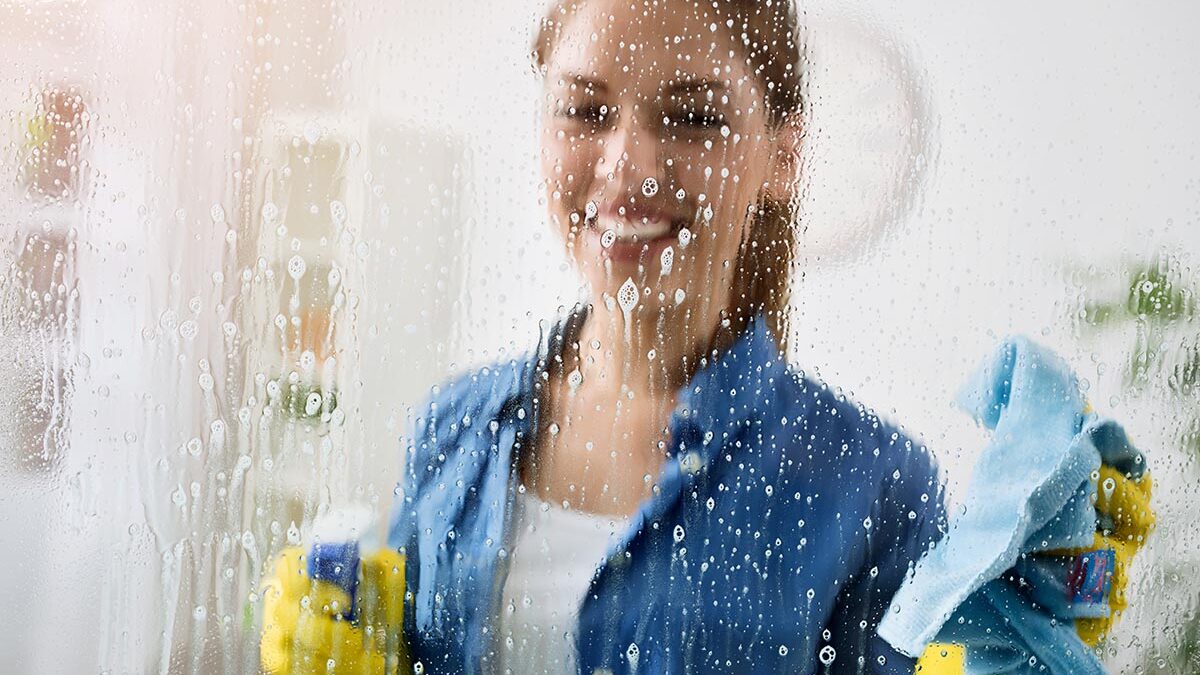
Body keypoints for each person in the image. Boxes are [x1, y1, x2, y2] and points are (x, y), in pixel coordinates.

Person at [260, 1, 1154, 673]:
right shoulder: (451, 429)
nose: (629, 167)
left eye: (691, 118)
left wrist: (1014, 645)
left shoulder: (876, 486)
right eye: (585, 110)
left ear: (782, 157)